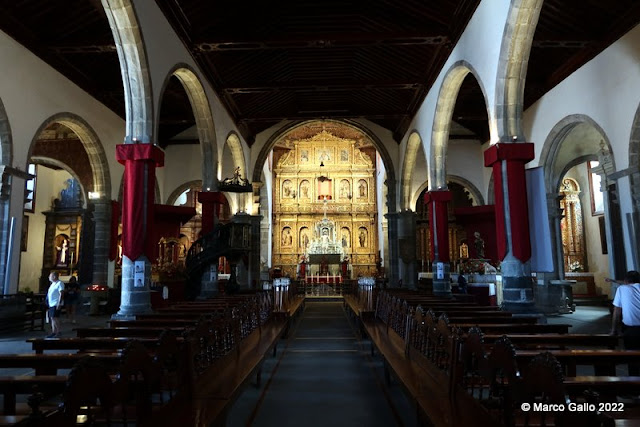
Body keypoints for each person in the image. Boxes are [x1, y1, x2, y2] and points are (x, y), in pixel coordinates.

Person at [610, 270, 640, 375]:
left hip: (631, 330)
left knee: (632, 358)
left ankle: (634, 385)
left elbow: (617, 311)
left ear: (626, 281)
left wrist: (614, 330)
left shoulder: (622, 289)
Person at [46, 271, 64, 338]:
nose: (49, 277)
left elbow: (61, 293)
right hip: (51, 303)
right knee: (52, 318)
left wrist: (59, 303)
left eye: (50, 276)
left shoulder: (60, 283)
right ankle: (54, 332)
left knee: (55, 317)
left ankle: (58, 331)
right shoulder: (53, 284)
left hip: (56, 303)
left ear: (54, 276)